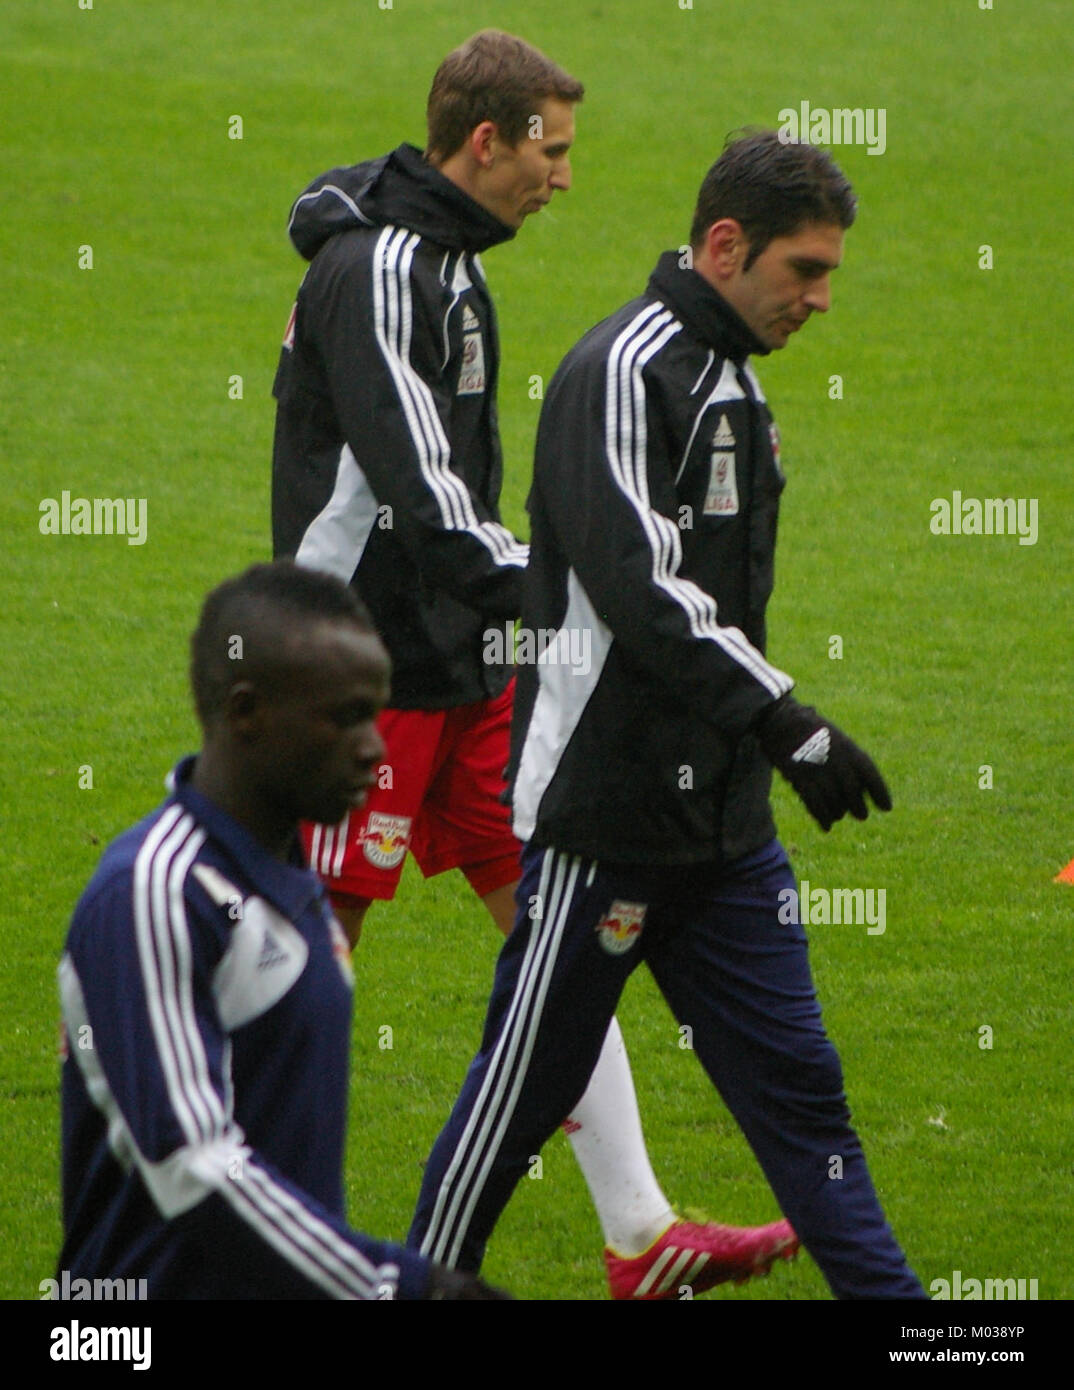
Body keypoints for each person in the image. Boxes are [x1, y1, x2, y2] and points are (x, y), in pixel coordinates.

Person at [271, 31, 795, 1298]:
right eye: (551, 151)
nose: (563, 178)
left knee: (561, 939)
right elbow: (422, 496)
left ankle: (638, 1230)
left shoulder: (449, 260)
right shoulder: (384, 268)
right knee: (311, 940)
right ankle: (266, 1244)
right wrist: (575, 591)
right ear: (486, 140)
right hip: (363, 670)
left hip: (466, 668)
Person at [407, 129, 927, 1300]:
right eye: (806, 270)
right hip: (605, 819)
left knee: (803, 1092)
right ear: (727, 245)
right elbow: (639, 591)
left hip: (726, 836)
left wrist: (758, 744)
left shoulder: (736, 380)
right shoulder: (618, 372)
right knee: (518, 1099)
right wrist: (788, 722)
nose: (823, 299)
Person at [56, 561, 506, 1299]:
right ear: (245, 712)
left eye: (375, 713)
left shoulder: (291, 878)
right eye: (344, 717)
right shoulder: (156, 893)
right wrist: (408, 1287)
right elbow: (195, 1164)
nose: (376, 748)